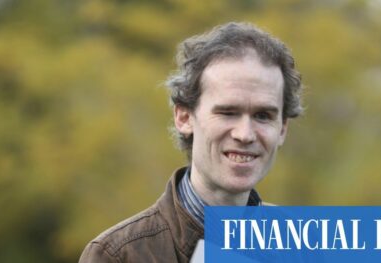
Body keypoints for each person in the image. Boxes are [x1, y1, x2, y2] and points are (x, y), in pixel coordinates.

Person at [79, 21, 303, 263]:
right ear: (184, 118)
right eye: (228, 112)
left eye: (263, 116)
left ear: (282, 129)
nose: (245, 134)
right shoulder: (118, 256)